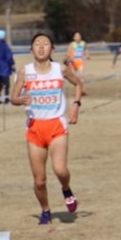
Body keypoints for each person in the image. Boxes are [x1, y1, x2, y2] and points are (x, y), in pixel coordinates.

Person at [10, 33, 83, 225]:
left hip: (56, 125)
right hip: (35, 128)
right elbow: (13, 97)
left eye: (45, 44)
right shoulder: (25, 72)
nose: (41, 47)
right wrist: (20, 100)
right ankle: (45, 210)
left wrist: (76, 105)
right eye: (37, 44)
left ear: (52, 49)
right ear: (31, 49)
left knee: (60, 169)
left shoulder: (61, 69)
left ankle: (66, 188)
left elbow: (78, 84)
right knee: (39, 180)